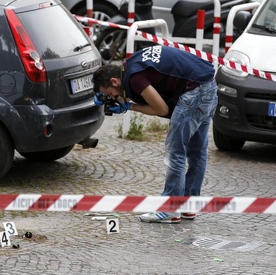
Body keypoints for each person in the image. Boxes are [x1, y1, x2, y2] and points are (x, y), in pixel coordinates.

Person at [92, 45, 218, 224]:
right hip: (208, 84)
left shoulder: (134, 78)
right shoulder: (131, 64)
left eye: (110, 94)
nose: (112, 98)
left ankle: (169, 209)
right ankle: (189, 205)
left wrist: (129, 106)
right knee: (197, 151)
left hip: (194, 92)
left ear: (114, 81)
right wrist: (125, 100)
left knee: (175, 152)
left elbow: (161, 108)